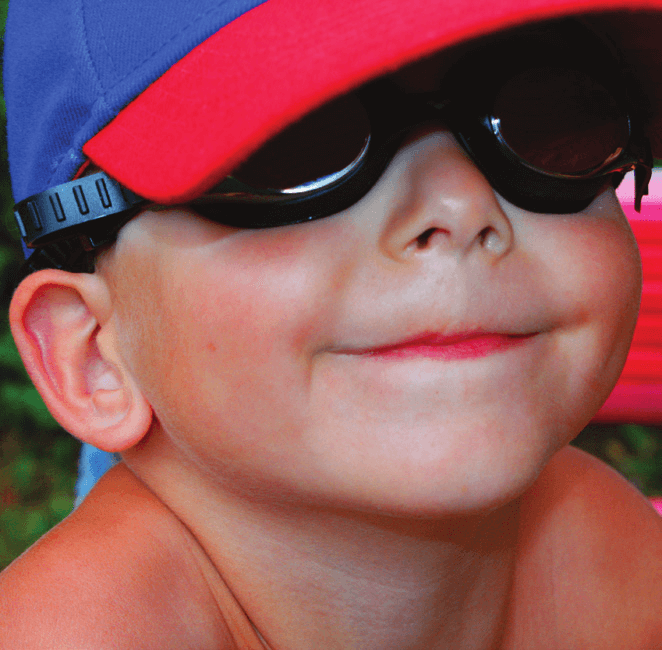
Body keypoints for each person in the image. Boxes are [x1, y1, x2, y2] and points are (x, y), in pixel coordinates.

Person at [1, 0, 662, 647]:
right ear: (92, 353)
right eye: (297, 148)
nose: (462, 204)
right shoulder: (75, 634)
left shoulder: (608, 553)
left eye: (552, 122)